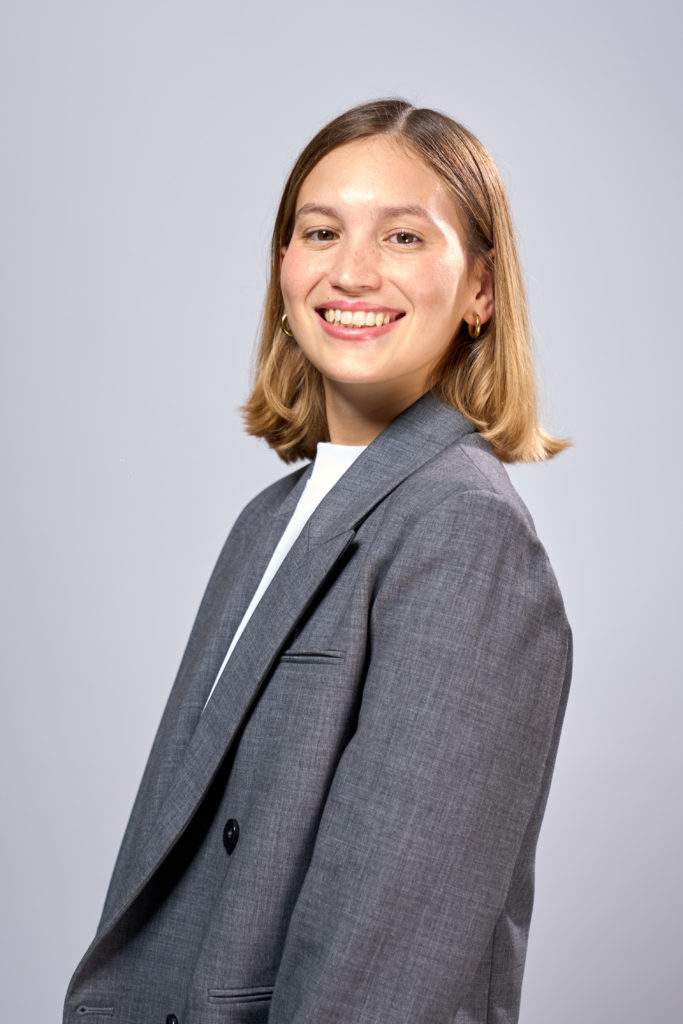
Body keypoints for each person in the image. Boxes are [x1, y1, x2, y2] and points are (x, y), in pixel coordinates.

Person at [63, 97, 574, 1024]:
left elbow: (389, 966)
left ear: (481, 290)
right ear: (283, 268)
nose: (351, 270)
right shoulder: (267, 522)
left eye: (404, 237)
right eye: (320, 231)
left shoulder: (464, 532)